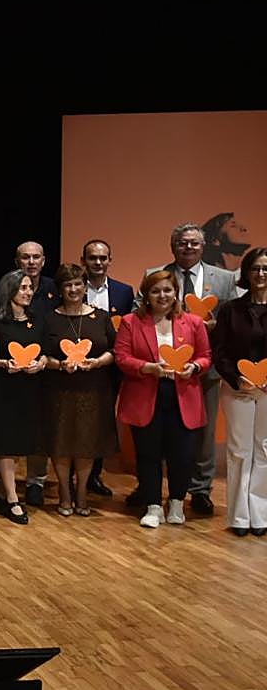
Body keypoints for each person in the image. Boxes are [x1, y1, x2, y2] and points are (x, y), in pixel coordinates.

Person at [145, 223, 241, 517]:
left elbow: (234, 319)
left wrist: (211, 326)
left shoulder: (224, 278)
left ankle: (200, 490)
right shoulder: (155, 273)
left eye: (194, 243)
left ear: (203, 246)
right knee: (159, 432)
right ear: (172, 246)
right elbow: (140, 312)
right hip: (161, 369)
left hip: (204, 368)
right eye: (182, 243)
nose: (188, 247)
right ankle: (153, 491)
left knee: (203, 432)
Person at [114, 271, 211, 529]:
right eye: (155, 291)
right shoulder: (130, 322)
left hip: (183, 395)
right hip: (146, 394)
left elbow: (205, 356)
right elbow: (121, 357)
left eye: (167, 290)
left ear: (176, 292)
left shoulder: (193, 322)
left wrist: (195, 367)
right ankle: (153, 506)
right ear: (146, 295)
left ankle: (177, 502)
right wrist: (147, 367)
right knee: (148, 453)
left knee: (183, 455)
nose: (162, 296)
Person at [43, 263, 118, 517]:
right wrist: (59, 365)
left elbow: (114, 350)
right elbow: (42, 355)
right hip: (58, 390)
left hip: (93, 389)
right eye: (68, 285)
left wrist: (98, 362)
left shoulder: (101, 317)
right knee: (61, 442)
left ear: (85, 287)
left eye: (78, 284)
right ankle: (65, 492)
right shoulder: (49, 318)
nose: (73, 289)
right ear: (60, 289)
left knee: (87, 442)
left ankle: (83, 492)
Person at [211, 247, 267, 536]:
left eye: (266, 269)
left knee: (265, 450)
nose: (261, 274)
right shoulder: (230, 310)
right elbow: (219, 352)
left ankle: (260, 515)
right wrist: (237, 379)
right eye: (255, 268)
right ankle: (239, 517)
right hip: (238, 389)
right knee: (239, 450)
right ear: (246, 272)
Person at [0, 270, 47, 525]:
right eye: (23, 288)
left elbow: (46, 351)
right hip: (3, 389)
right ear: (9, 290)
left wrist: (41, 363)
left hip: (29, 389)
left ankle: (3, 492)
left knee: (21, 443)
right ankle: (12, 499)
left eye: (30, 288)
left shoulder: (37, 319)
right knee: (5, 443)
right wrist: (4, 364)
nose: (28, 292)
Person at [80, 239, 135, 499]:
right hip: (75, 365)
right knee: (75, 422)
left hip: (109, 367)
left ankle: (94, 475)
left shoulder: (124, 292)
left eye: (103, 258)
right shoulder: (73, 287)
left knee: (101, 422)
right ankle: (72, 476)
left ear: (110, 260)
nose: (98, 262)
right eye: (93, 258)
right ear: (84, 261)